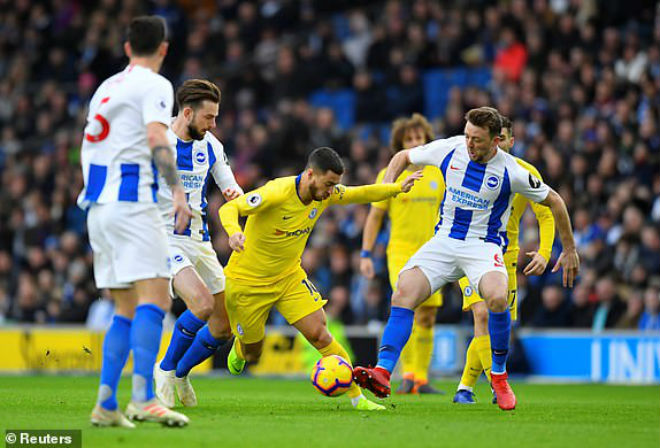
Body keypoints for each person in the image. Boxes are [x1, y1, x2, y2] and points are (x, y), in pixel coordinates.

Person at [354, 107, 579, 411]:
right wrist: (390, 186)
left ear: (496, 141)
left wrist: (568, 249)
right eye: (468, 136)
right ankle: (382, 372)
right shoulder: (450, 148)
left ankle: (498, 376)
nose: (470, 144)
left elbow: (555, 201)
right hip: (445, 242)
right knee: (403, 292)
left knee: (497, 299)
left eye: (477, 140)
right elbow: (402, 157)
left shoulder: (512, 171)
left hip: (483, 247)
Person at [219, 146, 421, 411]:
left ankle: (357, 399)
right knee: (253, 354)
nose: (331, 190)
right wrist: (234, 233)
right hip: (248, 282)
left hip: (288, 277)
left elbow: (360, 192)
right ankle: (241, 346)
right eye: (328, 184)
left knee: (321, 334)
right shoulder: (277, 192)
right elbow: (229, 209)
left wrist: (395, 188)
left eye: (335, 185)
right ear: (310, 174)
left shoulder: (324, 194)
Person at [80, 16, 192, 427]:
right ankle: (144, 397)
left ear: (127, 47)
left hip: (98, 207)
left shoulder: (105, 88)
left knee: (125, 308)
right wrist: (178, 191)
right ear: (163, 49)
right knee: (157, 299)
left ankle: (106, 404)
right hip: (132, 204)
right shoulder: (156, 85)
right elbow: (156, 138)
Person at [152, 79, 243, 409]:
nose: (213, 124)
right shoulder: (158, 141)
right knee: (202, 305)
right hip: (165, 237)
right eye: (208, 118)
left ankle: (181, 374)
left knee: (222, 328)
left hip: (200, 240)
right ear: (187, 112)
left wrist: (236, 199)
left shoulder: (212, 146)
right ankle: (164, 369)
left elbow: (231, 188)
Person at [453, 116, 555, 404]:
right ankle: (499, 385)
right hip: (469, 250)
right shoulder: (468, 166)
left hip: (504, 257)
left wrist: (545, 252)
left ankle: (464, 387)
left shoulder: (524, 173)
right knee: (482, 315)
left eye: (504, 138)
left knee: (496, 323)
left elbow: (546, 213)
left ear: (510, 141)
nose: (499, 142)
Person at [360, 113, 445, 394]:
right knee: (407, 306)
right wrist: (366, 254)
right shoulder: (388, 175)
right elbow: (374, 217)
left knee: (428, 315)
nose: (415, 143)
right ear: (400, 144)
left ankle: (421, 378)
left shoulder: (440, 173)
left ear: (426, 140)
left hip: (433, 252)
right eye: (408, 139)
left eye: (419, 138)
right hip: (401, 251)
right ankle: (407, 375)